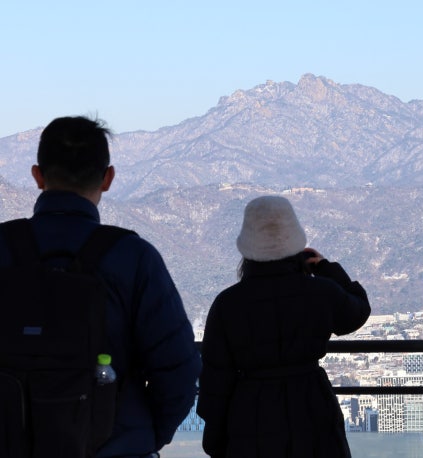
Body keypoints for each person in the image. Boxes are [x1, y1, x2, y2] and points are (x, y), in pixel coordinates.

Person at [0, 116, 201, 456]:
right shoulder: (133, 257)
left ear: (37, 175)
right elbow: (179, 369)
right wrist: (144, 436)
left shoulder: (4, 247)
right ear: (108, 178)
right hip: (116, 444)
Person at [197, 195, 371, 457]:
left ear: (247, 247)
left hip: (251, 414)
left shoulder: (228, 304)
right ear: (296, 243)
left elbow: (215, 380)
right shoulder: (320, 292)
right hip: (313, 408)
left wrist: (215, 441)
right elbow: (357, 313)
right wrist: (326, 268)